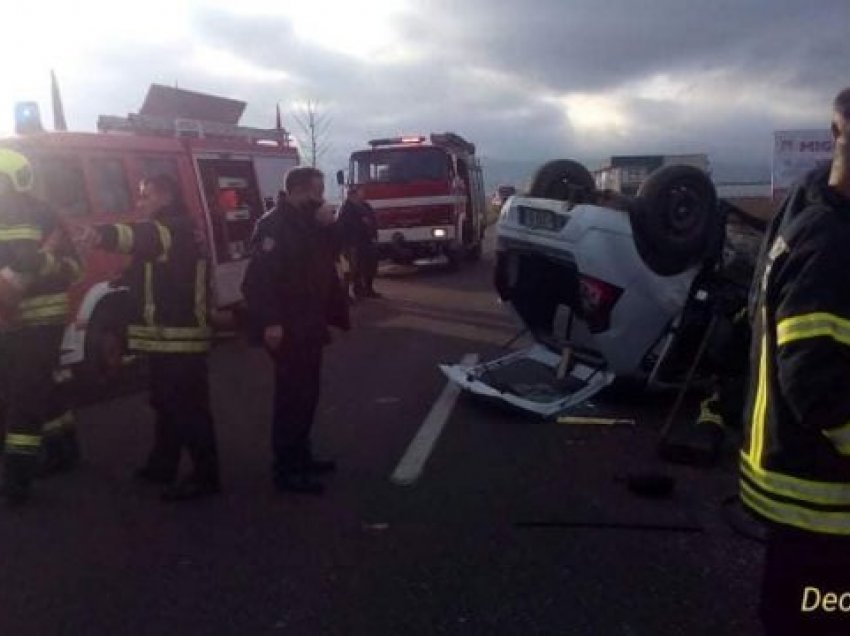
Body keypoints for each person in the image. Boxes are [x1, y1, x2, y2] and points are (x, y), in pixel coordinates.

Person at [741, 88, 850, 635]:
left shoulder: (805, 201)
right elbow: (815, 382)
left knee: (795, 611)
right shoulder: (831, 245)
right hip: (823, 495)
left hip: (795, 480)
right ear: (838, 132)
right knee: (822, 615)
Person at [76, 174, 220, 502]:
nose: (140, 202)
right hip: (165, 337)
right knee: (166, 405)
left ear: (165, 196)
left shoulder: (172, 228)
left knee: (188, 409)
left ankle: (205, 475)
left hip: (177, 337)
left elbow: (136, 237)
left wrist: (100, 234)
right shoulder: (174, 231)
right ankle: (162, 465)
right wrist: (125, 279)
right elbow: (151, 266)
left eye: (146, 195)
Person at [242, 167, 349, 495]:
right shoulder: (274, 226)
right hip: (288, 326)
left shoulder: (307, 223)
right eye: (318, 191)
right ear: (301, 191)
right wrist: (271, 322)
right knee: (292, 398)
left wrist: (329, 228)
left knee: (307, 395)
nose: (321, 197)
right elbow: (258, 282)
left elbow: (328, 257)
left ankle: (302, 455)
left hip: (309, 322)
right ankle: (286, 468)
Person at [0, 148, 82, 506]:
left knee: (23, 398)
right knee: (41, 386)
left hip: (39, 318)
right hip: (13, 318)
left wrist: (40, 262)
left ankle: (17, 478)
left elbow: (69, 267)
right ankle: (66, 450)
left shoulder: (37, 213)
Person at [337, 185, 381, 299]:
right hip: (353, 243)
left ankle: (367, 289)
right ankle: (355, 291)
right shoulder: (346, 208)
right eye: (360, 193)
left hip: (367, 241)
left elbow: (373, 220)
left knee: (369, 266)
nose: (363, 194)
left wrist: (373, 234)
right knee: (353, 269)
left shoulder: (365, 206)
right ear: (352, 195)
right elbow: (344, 226)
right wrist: (362, 223)